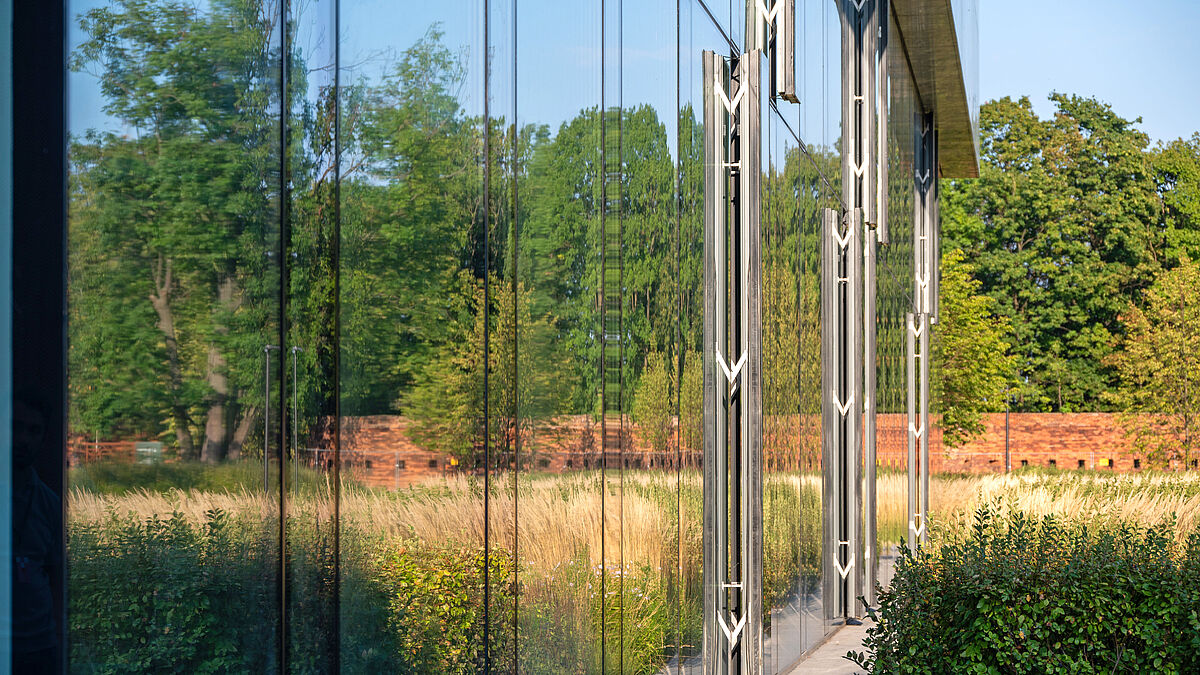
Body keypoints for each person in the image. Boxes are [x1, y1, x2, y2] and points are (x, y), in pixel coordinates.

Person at [12, 389, 62, 673]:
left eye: (34, 431)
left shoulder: (48, 503)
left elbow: (55, 576)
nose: (23, 439)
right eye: (16, 427)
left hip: (39, 647)